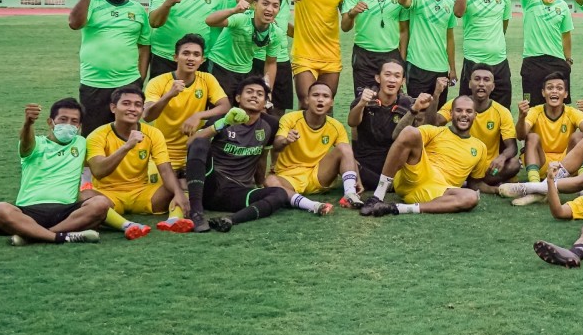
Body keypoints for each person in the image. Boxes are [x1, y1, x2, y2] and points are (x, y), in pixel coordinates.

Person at [0, 100, 109, 245]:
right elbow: (26, 144)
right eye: (63, 119)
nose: (68, 125)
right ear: (50, 122)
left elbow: (100, 165)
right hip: (29, 211)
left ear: (79, 126)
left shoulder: (81, 143)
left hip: (67, 211)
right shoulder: (36, 143)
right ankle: (60, 237)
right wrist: (28, 124)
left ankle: (31, 236)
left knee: (101, 203)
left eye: (74, 121)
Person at [184, 76, 287, 233]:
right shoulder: (221, 120)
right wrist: (223, 124)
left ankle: (230, 219)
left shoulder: (270, 125)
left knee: (279, 193)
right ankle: (196, 213)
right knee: (200, 142)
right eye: (249, 92)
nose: (254, 96)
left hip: (237, 192)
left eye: (260, 94)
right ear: (238, 97)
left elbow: (261, 156)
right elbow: (191, 144)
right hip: (210, 185)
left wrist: (260, 183)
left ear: (266, 102)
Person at [86, 86, 191, 238]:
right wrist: (127, 146)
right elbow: (99, 171)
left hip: (142, 193)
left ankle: (173, 220)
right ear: (113, 108)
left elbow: (165, 169)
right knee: (85, 197)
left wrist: (178, 193)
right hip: (109, 195)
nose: (132, 109)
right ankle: (127, 226)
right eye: (126, 103)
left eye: (137, 105)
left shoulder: (152, 133)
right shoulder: (97, 135)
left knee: (180, 185)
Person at [358, 96, 484, 216]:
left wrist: (497, 189)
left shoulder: (480, 147)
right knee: (410, 131)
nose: (464, 114)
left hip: (439, 192)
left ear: (475, 115)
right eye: (459, 110)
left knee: (471, 197)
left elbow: (475, 183)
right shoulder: (435, 131)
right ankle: (377, 197)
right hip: (416, 176)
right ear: (451, 114)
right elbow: (399, 137)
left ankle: (396, 208)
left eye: (469, 111)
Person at [68, 0, 151, 134]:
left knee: (127, 132)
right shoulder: (92, 2)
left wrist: (139, 80)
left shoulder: (138, 11)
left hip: (128, 82)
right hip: (94, 82)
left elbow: (144, 47)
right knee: (93, 134)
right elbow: (74, 23)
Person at [143, 33, 231, 176]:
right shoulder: (158, 82)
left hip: (193, 151)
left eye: (196, 55)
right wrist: (169, 95)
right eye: (186, 53)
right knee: (156, 195)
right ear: (175, 57)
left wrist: (198, 115)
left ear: (202, 60)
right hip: (163, 153)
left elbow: (225, 106)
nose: (191, 58)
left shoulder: (207, 79)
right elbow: (147, 116)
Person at [267, 82, 360, 213]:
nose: (320, 99)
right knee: (270, 181)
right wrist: (285, 140)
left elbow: (347, 154)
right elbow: (276, 145)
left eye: (325, 96)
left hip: (319, 175)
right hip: (290, 176)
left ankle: (350, 195)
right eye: (315, 95)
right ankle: (312, 205)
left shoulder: (336, 126)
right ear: (307, 100)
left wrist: (358, 180)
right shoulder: (290, 119)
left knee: (344, 147)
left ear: (331, 102)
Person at [348, 60, 437, 191]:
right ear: (378, 78)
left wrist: (422, 106)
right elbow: (352, 122)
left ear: (402, 81)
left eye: (397, 76)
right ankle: (387, 185)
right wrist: (361, 104)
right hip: (365, 166)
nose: (392, 80)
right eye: (387, 75)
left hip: (394, 166)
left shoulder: (408, 104)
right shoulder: (364, 100)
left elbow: (413, 137)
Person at [235, 0, 302, 117]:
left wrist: (302, 33)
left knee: (277, 110)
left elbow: (281, 23)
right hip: (257, 58)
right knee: (250, 110)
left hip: (281, 58)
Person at [437, 63, 519, 190]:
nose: (481, 84)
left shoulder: (502, 112)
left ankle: (469, 182)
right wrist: (436, 95)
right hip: (459, 163)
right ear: (469, 84)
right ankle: (473, 183)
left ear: (492, 86)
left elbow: (512, 147)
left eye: (486, 80)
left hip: (487, 167)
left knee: (514, 164)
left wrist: (502, 157)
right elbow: (434, 122)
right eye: (477, 79)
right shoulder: (458, 104)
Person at [287, 0, 350, 104]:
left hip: (331, 55)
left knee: (326, 104)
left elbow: (346, 24)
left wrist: (352, 14)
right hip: (304, 54)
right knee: (307, 101)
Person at [341, 0, 405, 96]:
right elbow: (344, 27)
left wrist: (402, 58)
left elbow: (404, 30)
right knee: (364, 100)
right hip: (364, 55)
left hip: (391, 55)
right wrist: (352, 13)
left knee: (390, 99)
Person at [453, 0, 512, 107]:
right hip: (473, 60)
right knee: (467, 108)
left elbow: (503, 25)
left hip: (499, 61)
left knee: (502, 108)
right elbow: (458, 13)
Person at [515, 73, 583, 198]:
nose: (554, 91)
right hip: (542, 163)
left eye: (559, 88)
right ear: (543, 92)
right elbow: (521, 135)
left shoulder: (572, 112)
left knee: (580, 137)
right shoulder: (535, 111)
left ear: (565, 94)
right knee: (532, 137)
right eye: (550, 88)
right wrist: (521, 117)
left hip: (566, 165)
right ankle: (535, 185)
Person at [204, 0, 285, 98]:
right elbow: (210, 21)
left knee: (243, 111)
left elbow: (271, 62)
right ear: (255, 5)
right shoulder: (242, 19)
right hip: (219, 67)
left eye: (275, 6)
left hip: (245, 71)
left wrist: (268, 89)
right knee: (221, 108)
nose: (270, 9)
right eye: (265, 4)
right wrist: (233, 10)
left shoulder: (276, 33)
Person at [517, 0, 573, 104]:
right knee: (531, 107)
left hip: (557, 61)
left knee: (559, 107)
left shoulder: (562, 6)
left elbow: (566, 35)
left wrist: (567, 60)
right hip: (532, 62)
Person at [398, 0, 457, 104]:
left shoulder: (449, 4)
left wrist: (453, 68)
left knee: (437, 114)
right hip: (418, 66)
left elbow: (450, 38)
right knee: (417, 114)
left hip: (441, 69)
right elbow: (403, 1)